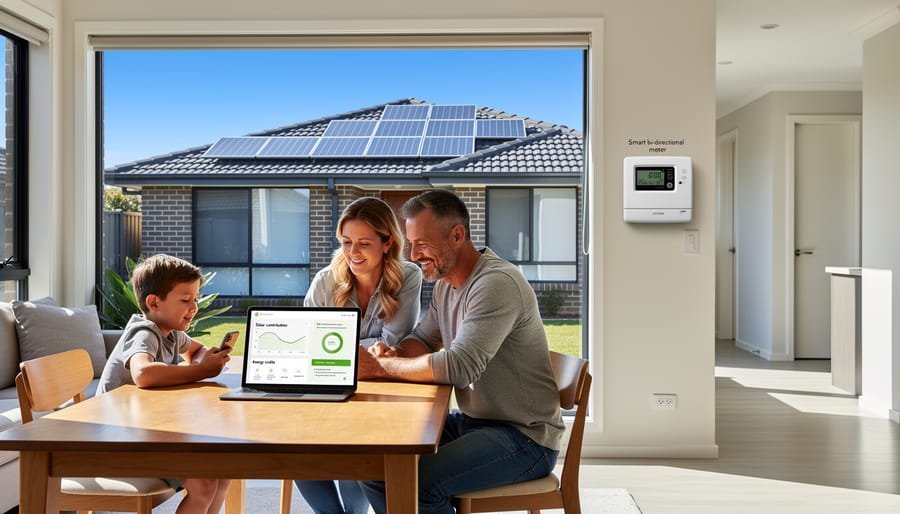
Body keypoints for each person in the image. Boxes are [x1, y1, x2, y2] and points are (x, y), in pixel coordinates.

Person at [357, 189, 565, 514]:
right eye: (410, 243)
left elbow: (459, 367)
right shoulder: (446, 284)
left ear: (457, 235)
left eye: (422, 243)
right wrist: (391, 353)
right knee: (375, 468)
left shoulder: (495, 284)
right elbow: (423, 340)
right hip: (475, 422)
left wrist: (381, 369)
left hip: (523, 437)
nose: (412, 255)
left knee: (419, 483)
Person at [295, 196, 423, 514]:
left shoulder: (408, 277)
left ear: (386, 242)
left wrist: (335, 344)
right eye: (347, 242)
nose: (352, 253)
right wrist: (366, 348)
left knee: (360, 451)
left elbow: (391, 343)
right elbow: (307, 340)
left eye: (364, 243)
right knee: (294, 444)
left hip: (381, 391)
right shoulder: (327, 280)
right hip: (326, 384)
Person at [97, 253, 232, 514]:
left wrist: (206, 358)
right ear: (154, 303)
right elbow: (143, 374)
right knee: (203, 485)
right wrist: (200, 371)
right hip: (120, 442)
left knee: (223, 472)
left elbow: (196, 350)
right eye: (185, 300)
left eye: (195, 299)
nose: (194, 307)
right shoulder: (144, 332)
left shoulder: (171, 333)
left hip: (148, 434)